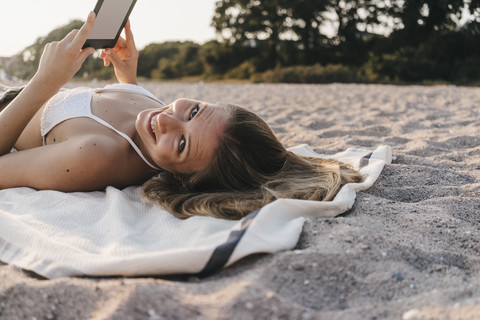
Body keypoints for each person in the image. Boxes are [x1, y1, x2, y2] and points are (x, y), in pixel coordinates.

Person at [0, 12, 363, 220]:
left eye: (184, 143)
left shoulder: (93, 156)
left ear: (183, 178)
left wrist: (43, 82)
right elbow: (144, 120)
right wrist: (129, 78)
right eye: (194, 110)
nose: (167, 119)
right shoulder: (156, 120)